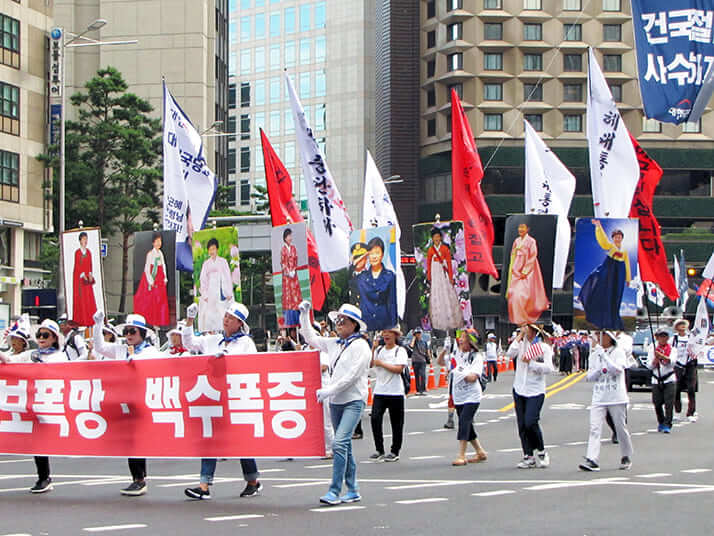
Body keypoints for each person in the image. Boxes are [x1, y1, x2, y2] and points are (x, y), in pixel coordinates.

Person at [181, 302, 262, 500]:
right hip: (213, 397)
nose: (226, 319)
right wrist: (189, 320)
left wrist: (228, 360)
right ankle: (204, 485)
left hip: (235, 398)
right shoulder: (213, 340)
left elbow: (250, 368)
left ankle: (252, 480)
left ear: (239, 323)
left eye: (231, 318)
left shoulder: (245, 343)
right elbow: (189, 343)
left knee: (240, 441)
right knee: (210, 439)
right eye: (226, 316)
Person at [299, 301, 371, 506]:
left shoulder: (361, 347)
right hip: (336, 402)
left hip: (353, 401)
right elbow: (310, 337)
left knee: (339, 443)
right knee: (344, 447)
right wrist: (305, 315)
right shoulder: (334, 344)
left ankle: (334, 490)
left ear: (354, 325)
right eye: (337, 320)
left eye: (343, 321)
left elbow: (351, 376)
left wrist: (328, 390)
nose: (338, 324)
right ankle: (353, 488)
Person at [92, 310, 163, 496]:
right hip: (123, 401)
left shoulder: (151, 352)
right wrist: (98, 324)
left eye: (133, 331)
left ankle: (140, 479)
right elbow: (99, 347)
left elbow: (153, 367)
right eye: (126, 332)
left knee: (136, 440)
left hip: (143, 401)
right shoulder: (120, 349)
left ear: (143, 333)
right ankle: (136, 478)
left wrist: (136, 361)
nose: (129, 335)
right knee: (129, 441)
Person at [0, 319, 68, 493]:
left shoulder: (59, 356)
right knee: (37, 442)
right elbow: (10, 361)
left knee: (49, 439)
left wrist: (39, 366)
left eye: (46, 335)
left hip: (52, 402)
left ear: (54, 338)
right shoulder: (31, 354)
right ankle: (44, 478)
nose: (41, 338)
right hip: (32, 402)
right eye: (39, 334)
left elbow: (58, 373)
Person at [579, 331, 633, 471]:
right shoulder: (595, 353)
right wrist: (599, 369)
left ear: (610, 337)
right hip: (599, 396)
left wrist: (604, 356)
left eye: (602, 334)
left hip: (616, 396)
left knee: (620, 428)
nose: (599, 338)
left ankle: (626, 455)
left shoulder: (618, 351)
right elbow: (589, 376)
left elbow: (618, 370)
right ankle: (592, 459)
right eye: (597, 334)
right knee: (595, 428)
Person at [506, 324, 554, 469]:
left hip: (536, 390)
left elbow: (549, 368)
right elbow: (510, 354)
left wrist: (532, 364)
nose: (525, 330)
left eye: (528, 328)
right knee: (522, 425)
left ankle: (541, 451)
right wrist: (519, 336)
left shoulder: (542, 347)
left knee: (530, 421)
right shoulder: (520, 344)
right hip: (519, 388)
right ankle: (528, 455)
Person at [578, 221, 631, 330]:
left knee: (616, 295)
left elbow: (627, 265)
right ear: (613, 238)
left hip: (619, 273)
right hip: (609, 270)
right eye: (616, 237)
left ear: (622, 238)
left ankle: (612, 318)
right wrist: (599, 227)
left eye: (619, 237)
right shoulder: (611, 246)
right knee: (603, 289)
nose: (618, 239)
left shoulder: (625, 251)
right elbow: (603, 241)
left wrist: (628, 278)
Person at [369, 326, 408, 462]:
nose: (386, 335)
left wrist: (382, 363)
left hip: (395, 391)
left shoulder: (400, 350)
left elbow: (398, 369)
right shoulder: (379, 350)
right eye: (384, 333)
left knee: (396, 423)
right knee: (375, 418)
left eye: (389, 333)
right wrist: (373, 348)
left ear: (395, 335)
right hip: (380, 390)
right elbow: (370, 364)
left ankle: (394, 450)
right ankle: (379, 449)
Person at [450, 329, 488, 466]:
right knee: (467, 424)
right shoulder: (456, 353)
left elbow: (473, 378)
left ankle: (461, 455)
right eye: (460, 337)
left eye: (464, 338)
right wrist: (444, 351)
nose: (461, 340)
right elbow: (442, 362)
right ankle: (480, 452)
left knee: (464, 422)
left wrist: (460, 372)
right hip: (458, 396)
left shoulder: (476, 357)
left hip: (472, 395)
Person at [506, 223, 549, 326]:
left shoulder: (531, 241)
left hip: (528, 270)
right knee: (513, 293)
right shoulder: (516, 241)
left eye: (523, 227)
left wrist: (525, 271)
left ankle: (524, 318)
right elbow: (513, 254)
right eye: (519, 227)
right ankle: (517, 318)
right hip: (516, 268)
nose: (520, 229)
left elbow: (533, 255)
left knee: (522, 295)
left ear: (527, 229)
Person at [355, 237, 397, 332]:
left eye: (377, 253)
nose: (374, 256)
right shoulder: (361, 278)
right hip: (365, 325)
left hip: (384, 324)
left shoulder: (390, 276)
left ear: (382, 255)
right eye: (371, 253)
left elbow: (392, 304)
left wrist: (392, 327)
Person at [426, 227, 463, 330]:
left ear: (441, 238)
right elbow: (428, 264)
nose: (436, 239)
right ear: (432, 239)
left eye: (438, 236)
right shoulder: (430, 250)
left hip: (443, 274)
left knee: (446, 294)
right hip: (435, 273)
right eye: (435, 237)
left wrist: (450, 276)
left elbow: (449, 265)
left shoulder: (445, 249)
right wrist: (429, 276)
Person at [197, 237, 234, 332]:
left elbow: (227, 277)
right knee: (209, 314)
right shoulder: (206, 264)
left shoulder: (223, 261)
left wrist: (228, 292)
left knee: (222, 312)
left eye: (213, 249)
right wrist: (204, 294)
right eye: (210, 249)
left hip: (221, 289)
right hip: (210, 290)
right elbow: (203, 280)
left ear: (217, 249)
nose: (211, 251)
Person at [134, 232, 170, 326]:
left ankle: (160, 321)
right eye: (157, 241)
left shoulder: (160, 253)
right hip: (152, 279)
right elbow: (147, 269)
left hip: (160, 278)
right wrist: (151, 281)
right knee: (151, 301)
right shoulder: (150, 254)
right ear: (153, 243)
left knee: (161, 301)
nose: (159, 243)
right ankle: (152, 321)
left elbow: (163, 266)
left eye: (160, 241)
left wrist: (165, 278)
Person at [649, 328, 676, 433]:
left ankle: (667, 424)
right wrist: (655, 360)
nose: (662, 338)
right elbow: (649, 366)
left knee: (669, 403)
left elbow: (672, 362)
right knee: (657, 402)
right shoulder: (652, 349)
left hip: (669, 379)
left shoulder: (673, 349)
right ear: (657, 338)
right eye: (660, 336)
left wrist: (662, 356)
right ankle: (661, 421)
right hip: (656, 379)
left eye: (665, 336)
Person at [71, 231, 98, 326]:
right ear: (80, 240)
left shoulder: (89, 252)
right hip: (80, 279)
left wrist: (90, 274)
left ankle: (90, 319)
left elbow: (90, 265)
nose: (85, 241)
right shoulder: (77, 252)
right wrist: (83, 275)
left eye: (86, 239)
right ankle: (81, 319)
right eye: (83, 239)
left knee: (89, 298)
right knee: (81, 298)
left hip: (87, 279)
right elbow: (78, 266)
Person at [672, 319, 698, 422]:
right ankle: (677, 412)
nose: (682, 326)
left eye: (684, 324)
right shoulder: (673, 338)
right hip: (677, 365)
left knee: (691, 389)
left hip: (690, 365)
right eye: (680, 324)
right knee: (676, 389)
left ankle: (691, 413)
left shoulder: (691, 337)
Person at [280, 227, 302, 327]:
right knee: (288, 295)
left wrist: (294, 270)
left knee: (296, 294)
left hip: (294, 275)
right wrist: (288, 272)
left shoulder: (293, 248)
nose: (290, 238)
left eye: (291, 236)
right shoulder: (283, 249)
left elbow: (296, 260)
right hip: (287, 277)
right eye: (288, 236)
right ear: (285, 238)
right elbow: (283, 262)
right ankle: (289, 318)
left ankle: (298, 316)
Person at [437, 335, 458, 429]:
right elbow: (439, 362)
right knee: (451, 400)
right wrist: (445, 349)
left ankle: (469, 417)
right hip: (453, 383)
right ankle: (450, 420)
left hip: (465, 384)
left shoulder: (470, 355)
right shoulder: (451, 357)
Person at [409, 328, 431, 395]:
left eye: (419, 333)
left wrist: (429, 358)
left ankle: (423, 389)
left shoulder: (424, 342)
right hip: (415, 360)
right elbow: (411, 346)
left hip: (422, 360)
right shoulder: (414, 342)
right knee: (417, 376)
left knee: (422, 375)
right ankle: (418, 390)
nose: (418, 335)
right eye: (417, 334)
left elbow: (427, 351)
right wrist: (413, 338)